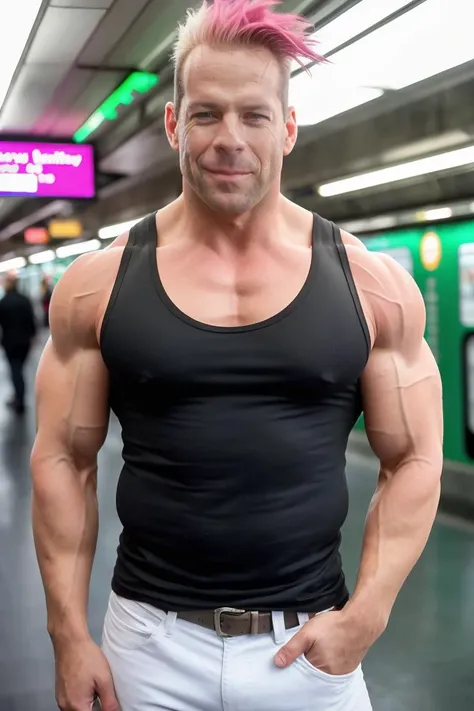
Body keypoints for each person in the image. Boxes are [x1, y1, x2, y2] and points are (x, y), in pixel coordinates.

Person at [30, 0, 443, 709]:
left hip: (311, 648)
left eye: (254, 115)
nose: (230, 139)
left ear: (286, 128)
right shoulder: (96, 285)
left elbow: (416, 458)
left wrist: (366, 615)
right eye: (206, 113)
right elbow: (61, 459)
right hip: (149, 645)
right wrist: (69, 635)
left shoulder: (371, 285)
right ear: (172, 124)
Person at [0, 271, 36, 414]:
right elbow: (31, 320)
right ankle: (19, 396)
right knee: (20, 368)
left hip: (10, 342)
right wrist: (32, 335)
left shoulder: (3, 303)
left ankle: (19, 399)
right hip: (25, 341)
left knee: (15, 370)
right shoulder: (24, 300)